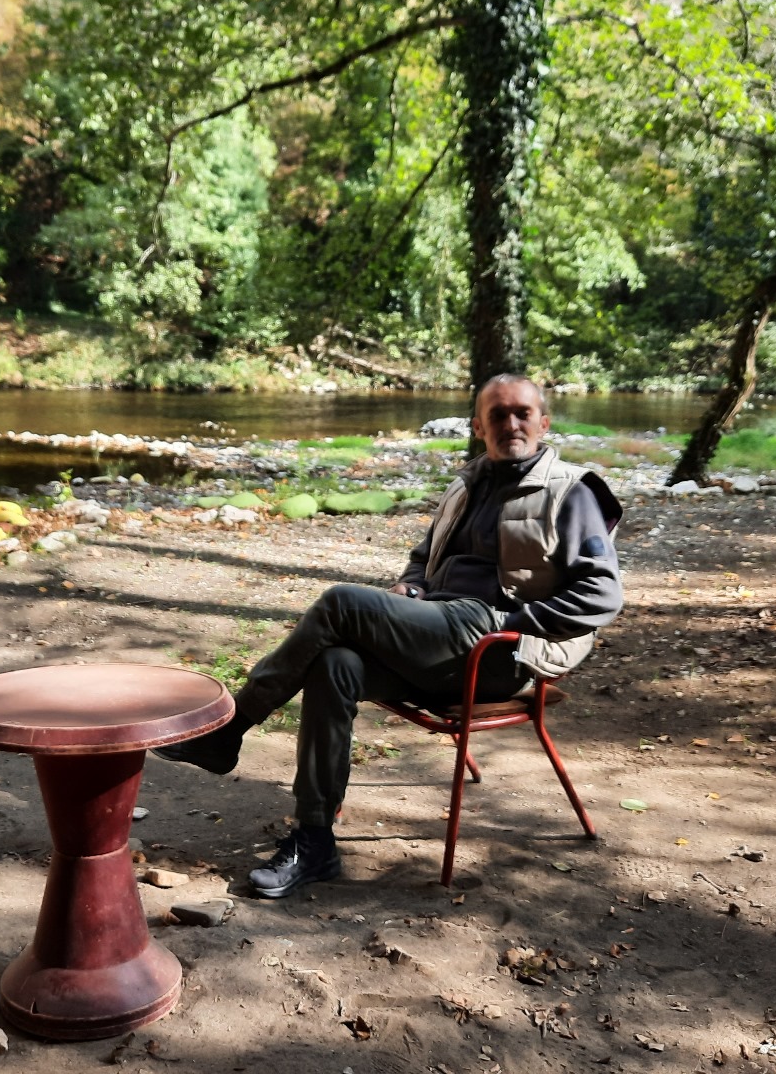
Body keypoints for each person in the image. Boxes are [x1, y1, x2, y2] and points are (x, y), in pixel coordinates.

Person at [155, 373, 624, 898]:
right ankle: (314, 842)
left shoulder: (572, 491)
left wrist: (514, 625)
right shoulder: (467, 485)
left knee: (340, 603)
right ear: (478, 426)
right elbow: (425, 560)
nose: (510, 424)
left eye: (521, 413)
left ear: (543, 422)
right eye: (498, 414)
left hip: (497, 651)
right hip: (439, 637)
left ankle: (231, 728)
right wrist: (411, 586)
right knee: (335, 664)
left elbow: (603, 595)